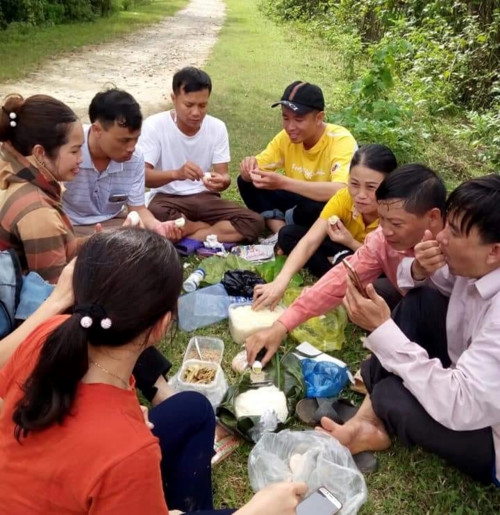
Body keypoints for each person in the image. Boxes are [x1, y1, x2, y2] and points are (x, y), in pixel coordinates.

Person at [0, 228, 307, 514]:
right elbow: (104, 447)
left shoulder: (48, 332)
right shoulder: (129, 454)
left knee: (194, 408)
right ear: (161, 326)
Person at [322, 175, 500, 486]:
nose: (441, 238)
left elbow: (460, 403)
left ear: (494, 252)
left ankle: (376, 414)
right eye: (446, 225)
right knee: (420, 301)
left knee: (392, 394)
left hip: (489, 433)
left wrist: (381, 328)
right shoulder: (473, 266)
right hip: (470, 375)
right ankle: (368, 419)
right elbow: (415, 284)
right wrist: (420, 267)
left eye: (454, 233)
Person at [246, 164, 447, 366]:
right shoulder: (381, 240)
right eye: (382, 219)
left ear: (432, 217)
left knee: (418, 301)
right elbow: (340, 279)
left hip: (452, 329)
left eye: (396, 224)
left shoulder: (456, 246)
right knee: (371, 290)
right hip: (411, 299)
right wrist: (281, 326)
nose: (386, 231)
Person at [253, 144, 398, 311]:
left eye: (371, 187)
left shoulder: (395, 212)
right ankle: (338, 273)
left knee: (380, 285)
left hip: (377, 262)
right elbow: (310, 240)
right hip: (346, 251)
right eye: (354, 184)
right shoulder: (344, 197)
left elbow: (389, 264)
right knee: (288, 235)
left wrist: (350, 242)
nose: (360, 195)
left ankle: (337, 272)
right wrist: (280, 282)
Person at [139, 66, 264, 243]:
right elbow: (143, 176)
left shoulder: (217, 127)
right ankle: (206, 230)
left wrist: (222, 181)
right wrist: (177, 174)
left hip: (204, 198)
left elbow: (223, 176)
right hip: (167, 199)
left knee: (255, 222)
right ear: (174, 99)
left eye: (202, 105)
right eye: (189, 105)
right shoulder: (154, 126)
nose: (196, 112)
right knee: (158, 213)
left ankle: (188, 233)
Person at [238, 81, 357, 235]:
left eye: (298, 120)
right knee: (247, 182)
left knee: (315, 209)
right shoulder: (286, 138)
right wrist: (248, 170)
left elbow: (342, 190)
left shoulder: (340, 139)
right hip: (297, 198)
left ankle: (293, 228)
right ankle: (280, 231)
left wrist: (284, 182)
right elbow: (257, 168)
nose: (290, 127)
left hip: (326, 203)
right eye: (285, 118)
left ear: (319, 118)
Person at [62, 88, 181, 240]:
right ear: (97, 130)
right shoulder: (68, 150)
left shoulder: (136, 158)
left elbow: (138, 208)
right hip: (70, 226)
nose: (131, 148)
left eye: (135, 139)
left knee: (148, 243)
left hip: (114, 224)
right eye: (124, 140)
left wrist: (158, 226)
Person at [0, 94, 84, 284]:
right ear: (40, 153)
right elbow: (53, 295)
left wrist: (104, 242)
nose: (81, 158)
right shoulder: (38, 211)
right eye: (74, 150)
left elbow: (64, 248)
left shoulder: (24, 181)